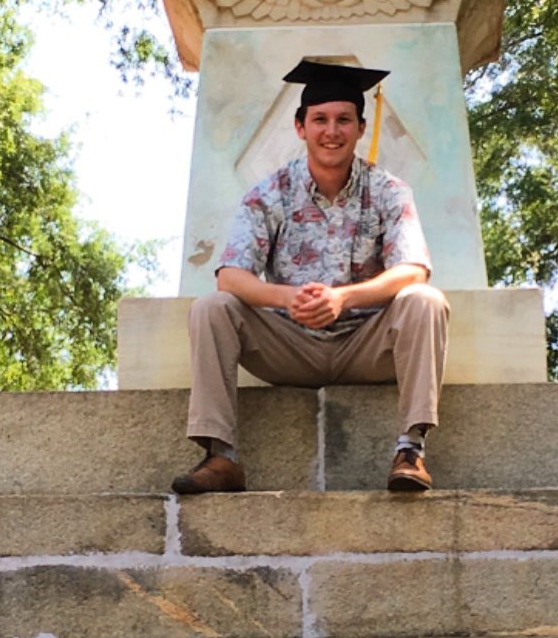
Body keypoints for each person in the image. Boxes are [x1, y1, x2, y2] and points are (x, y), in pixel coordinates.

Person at [171, 59, 449, 494]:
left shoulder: (390, 191)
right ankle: (220, 456)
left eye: (343, 120)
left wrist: (344, 300)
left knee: (425, 300)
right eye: (320, 119)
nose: (331, 131)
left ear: (360, 127)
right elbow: (230, 277)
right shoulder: (268, 194)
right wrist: (286, 299)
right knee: (213, 307)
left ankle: (410, 449)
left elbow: (413, 268)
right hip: (290, 343)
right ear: (300, 127)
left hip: (367, 343)